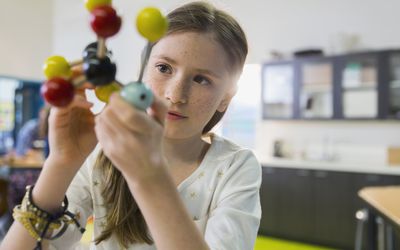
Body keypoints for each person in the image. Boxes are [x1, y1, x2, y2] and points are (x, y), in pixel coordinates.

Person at [0, 2, 261, 250]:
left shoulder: (234, 167)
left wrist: (148, 176)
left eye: (202, 79)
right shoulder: (103, 156)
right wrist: (61, 162)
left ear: (225, 98)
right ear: (143, 72)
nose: (175, 94)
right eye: (164, 67)